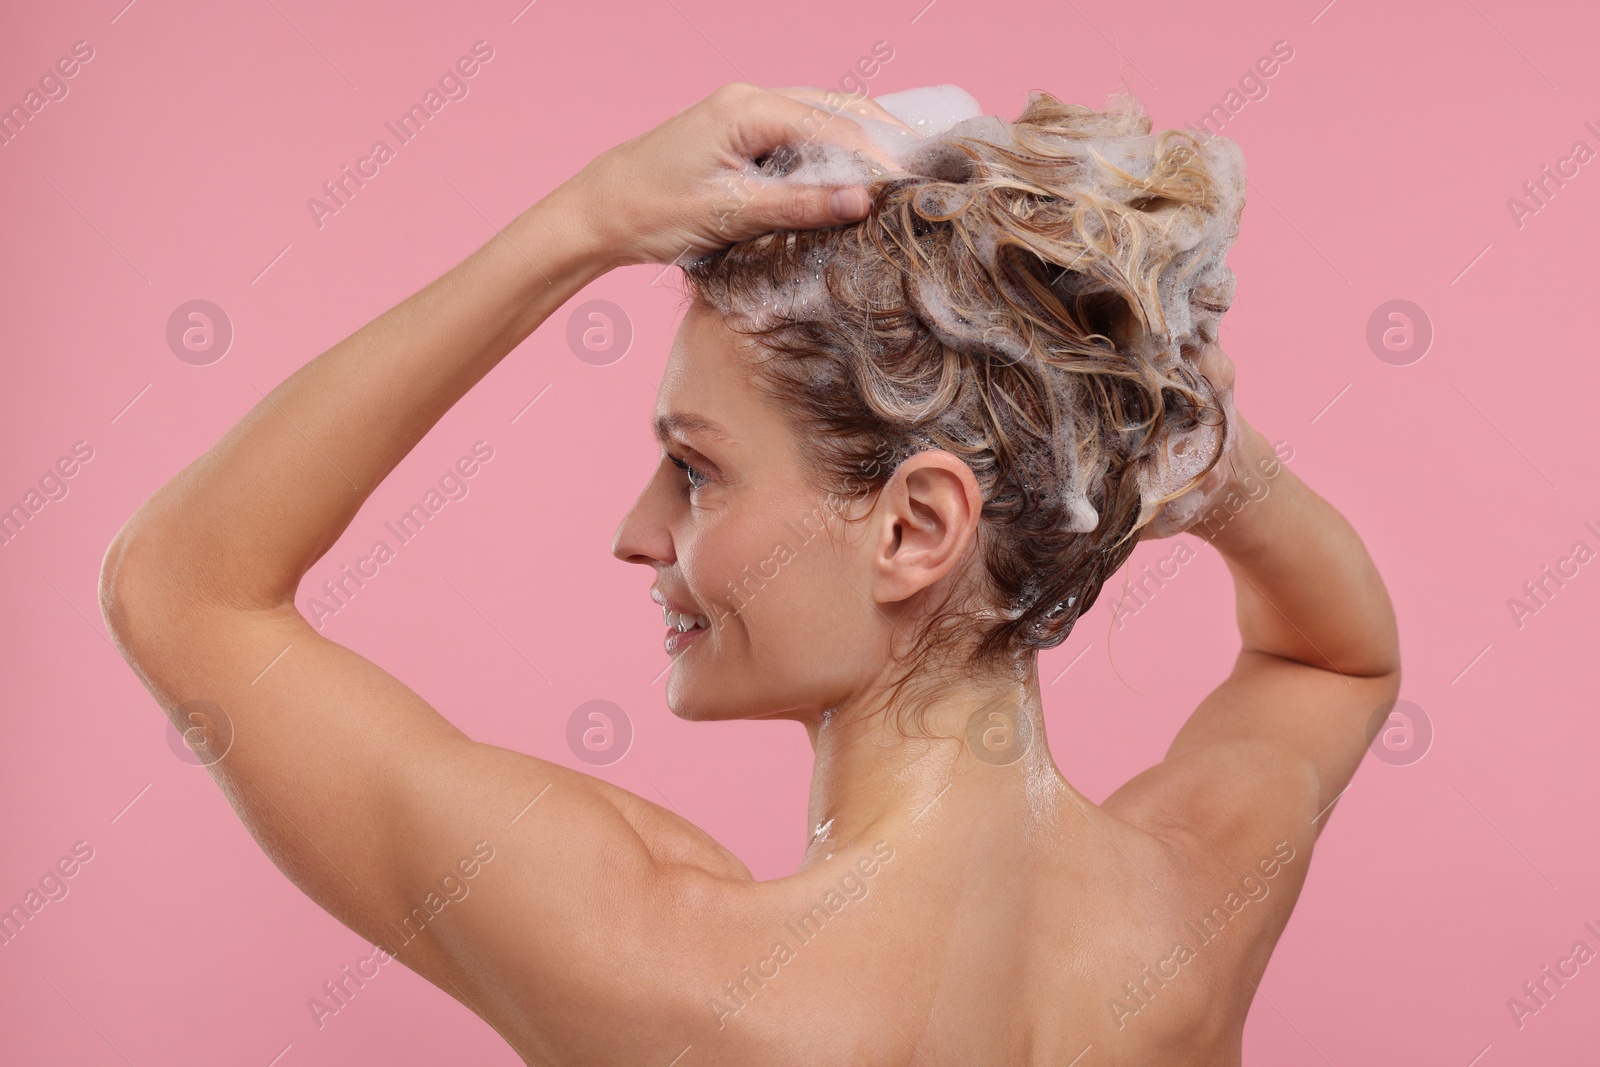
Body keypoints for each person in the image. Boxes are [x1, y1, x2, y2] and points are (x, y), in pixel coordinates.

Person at [100, 82, 1401, 1065]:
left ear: (912, 527)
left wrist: (588, 219)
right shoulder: (1185, 919)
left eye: (698, 469)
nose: (637, 530)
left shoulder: (674, 968)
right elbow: (1335, 657)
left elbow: (185, 586)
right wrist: (1208, 457)